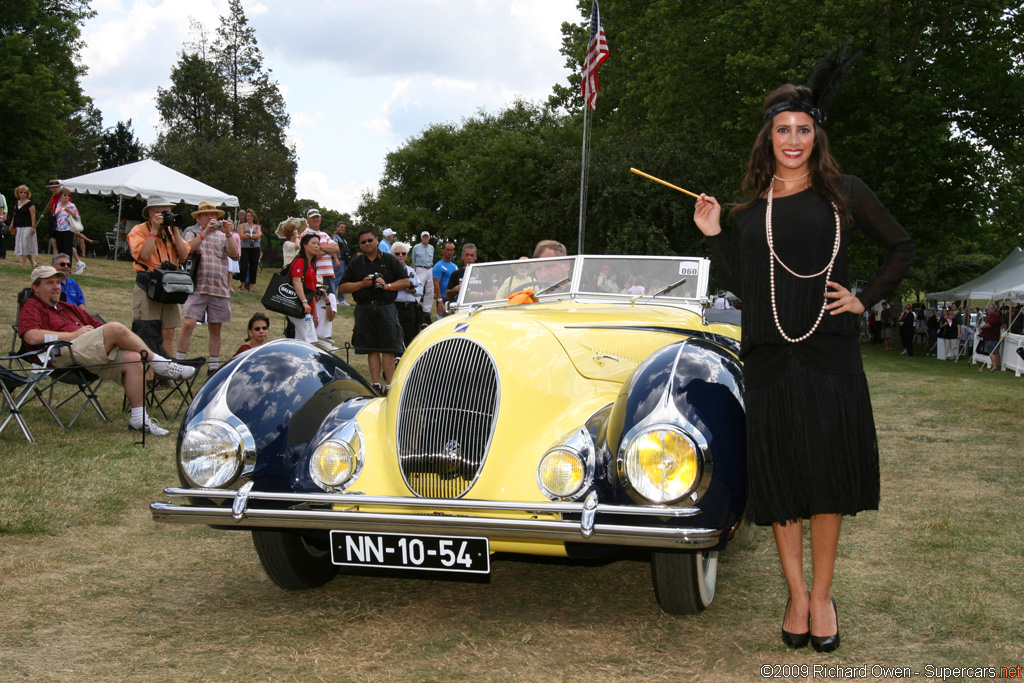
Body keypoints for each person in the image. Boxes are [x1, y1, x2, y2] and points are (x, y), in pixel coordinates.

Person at [693, 81, 914, 653]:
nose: (793, 140)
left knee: (824, 480)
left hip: (828, 352)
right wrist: (717, 234)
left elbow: (901, 247)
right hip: (769, 354)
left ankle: (822, 597)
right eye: (783, 129)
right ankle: (795, 595)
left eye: (804, 129)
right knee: (783, 477)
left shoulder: (844, 193)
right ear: (768, 136)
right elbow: (745, 285)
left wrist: (866, 297)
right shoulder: (749, 211)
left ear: (817, 135)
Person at [18, 265, 195, 435]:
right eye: (50, 283)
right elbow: (31, 337)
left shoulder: (67, 307)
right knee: (114, 328)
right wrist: (72, 335)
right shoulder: (32, 306)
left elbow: (99, 327)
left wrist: (104, 337)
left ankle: (138, 420)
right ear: (36, 288)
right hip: (59, 355)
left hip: (87, 354)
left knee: (134, 359)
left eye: (58, 283)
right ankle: (159, 363)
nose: (56, 287)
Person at [338, 228, 410, 393]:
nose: (367, 244)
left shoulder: (390, 260)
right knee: (372, 348)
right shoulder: (356, 263)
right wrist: (362, 284)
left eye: (370, 240)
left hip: (386, 307)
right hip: (364, 309)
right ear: (360, 245)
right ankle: (376, 384)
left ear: (377, 240)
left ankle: (390, 386)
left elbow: (405, 282)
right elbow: (343, 287)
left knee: (389, 348)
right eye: (363, 242)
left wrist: (387, 286)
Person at [175, 201, 238, 376]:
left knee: (216, 328)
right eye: (206, 215)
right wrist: (205, 232)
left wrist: (229, 234)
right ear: (199, 217)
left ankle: (213, 368)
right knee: (188, 323)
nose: (211, 218)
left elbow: (235, 254)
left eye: (214, 215)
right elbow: (188, 250)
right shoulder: (191, 232)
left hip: (218, 287)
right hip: (197, 287)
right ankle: (179, 363)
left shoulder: (222, 234)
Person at [128, 196, 191, 352]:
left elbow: (184, 254)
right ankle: (148, 375)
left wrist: (175, 230)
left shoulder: (171, 231)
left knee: (168, 332)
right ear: (151, 214)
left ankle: (166, 373)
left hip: (169, 286)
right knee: (147, 334)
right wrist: (154, 230)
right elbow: (144, 255)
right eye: (163, 213)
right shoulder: (139, 230)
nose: (167, 216)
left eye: (169, 212)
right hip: (148, 286)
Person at [287, 232, 322, 344]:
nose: (317, 246)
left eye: (318, 243)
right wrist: (304, 302)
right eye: (313, 243)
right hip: (299, 308)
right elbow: (296, 281)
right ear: (304, 245)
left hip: (307, 309)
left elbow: (312, 291)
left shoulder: (312, 265)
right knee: (311, 343)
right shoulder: (300, 261)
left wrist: (315, 314)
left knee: (300, 343)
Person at [391, 241, 423, 346]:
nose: (401, 256)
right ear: (392, 254)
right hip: (396, 307)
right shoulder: (389, 271)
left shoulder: (411, 271)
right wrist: (400, 285)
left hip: (410, 308)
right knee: (396, 337)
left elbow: (420, 288)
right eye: (397, 253)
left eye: (403, 253)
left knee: (411, 338)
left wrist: (413, 290)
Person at [300, 209, 339, 293]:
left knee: (330, 302)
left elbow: (336, 248)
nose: (316, 219)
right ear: (308, 220)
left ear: (320, 219)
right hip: (315, 274)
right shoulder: (305, 234)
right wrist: (328, 250)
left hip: (328, 273)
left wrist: (320, 247)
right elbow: (311, 255)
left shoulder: (324, 234)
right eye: (313, 218)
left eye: (317, 217)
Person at [53, 188, 82, 272]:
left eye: (68, 195)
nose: (66, 197)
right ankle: (60, 267)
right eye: (65, 195)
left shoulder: (71, 205)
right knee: (60, 249)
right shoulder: (57, 205)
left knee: (68, 249)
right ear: (61, 196)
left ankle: (68, 268)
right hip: (59, 229)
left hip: (68, 230)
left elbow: (77, 217)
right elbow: (55, 216)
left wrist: (70, 212)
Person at [10, 185, 38, 268]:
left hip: (28, 226)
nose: (22, 194)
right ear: (18, 193)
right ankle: (33, 262)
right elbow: (15, 215)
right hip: (18, 226)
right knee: (21, 244)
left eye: (24, 193)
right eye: (21, 192)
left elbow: (33, 216)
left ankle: (22, 263)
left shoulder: (30, 204)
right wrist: (12, 224)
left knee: (25, 244)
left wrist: (33, 227)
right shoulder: (16, 203)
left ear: (27, 194)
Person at [237, 208, 262, 294]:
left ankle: (251, 287)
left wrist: (249, 234)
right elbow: (242, 236)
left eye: (250, 216)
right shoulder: (242, 225)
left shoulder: (257, 226)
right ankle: (242, 286)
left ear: (253, 217)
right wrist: (253, 235)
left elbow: (259, 236)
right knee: (243, 267)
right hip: (245, 248)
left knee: (253, 267)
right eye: (247, 216)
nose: (249, 217)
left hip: (255, 248)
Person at [411, 231, 434, 315]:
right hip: (420, 268)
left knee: (430, 289)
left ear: (429, 238)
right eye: (424, 237)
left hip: (430, 268)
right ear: (421, 238)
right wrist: (415, 269)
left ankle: (427, 310)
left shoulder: (431, 247)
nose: (425, 238)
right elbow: (413, 259)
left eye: (426, 237)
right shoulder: (416, 247)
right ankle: (415, 305)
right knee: (419, 287)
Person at [432, 241, 457, 318]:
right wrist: (440, 301)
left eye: (451, 250)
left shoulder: (455, 266)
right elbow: (436, 284)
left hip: (454, 299)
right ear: (443, 250)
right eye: (447, 250)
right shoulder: (438, 266)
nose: (449, 252)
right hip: (443, 299)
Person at [330, 221, 351, 302]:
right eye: (341, 227)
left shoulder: (343, 239)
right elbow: (333, 249)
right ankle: (332, 298)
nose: (343, 229)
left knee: (343, 280)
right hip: (339, 261)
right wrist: (336, 260)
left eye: (344, 228)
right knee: (336, 280)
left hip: (344, 261)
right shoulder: (335, 237)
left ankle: (341, 299)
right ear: (337, 228)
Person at [978, 303, 1003, 371]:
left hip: (992, 337)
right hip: (992, 336)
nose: (988, 310)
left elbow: (989, 325)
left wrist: (981, 327)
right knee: (996, 351)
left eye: (989, 309)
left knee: (992, 352)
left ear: (993, 309)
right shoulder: (992, 316)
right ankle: (997, 365)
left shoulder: (996, 316)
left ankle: (994, 366)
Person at [44, 179, 61, 256]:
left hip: (61, 222)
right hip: (54, 221)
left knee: (64, 244)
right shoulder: (52, 198)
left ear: (59, 187)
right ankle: (55, 260)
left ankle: (78, 261)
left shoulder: (62, 197)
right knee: (54, 243)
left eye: (56, 187)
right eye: (52, 188)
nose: (54, 189)